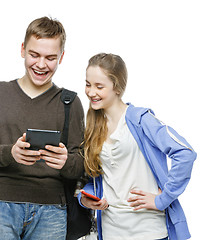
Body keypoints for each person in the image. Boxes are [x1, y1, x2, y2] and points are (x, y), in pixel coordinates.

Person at [0, 16, 85, 240]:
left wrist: (66, 162)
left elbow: (82, 162)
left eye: (50, 58)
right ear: (23, 50)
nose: (41, 65)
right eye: (35, 55)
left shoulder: (70, 102)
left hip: (51, 211)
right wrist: (10, 153)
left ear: (61, 57)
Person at [78, 53, 197, 240]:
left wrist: (162, 199)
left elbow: (185, 153)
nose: (91, 92)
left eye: (99, 86)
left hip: (148, 231)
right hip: (111, 231)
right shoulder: (93, 126)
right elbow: (98, 179)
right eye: (88, 84)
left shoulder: (141, 120)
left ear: (117, 87)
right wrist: (86, 198)